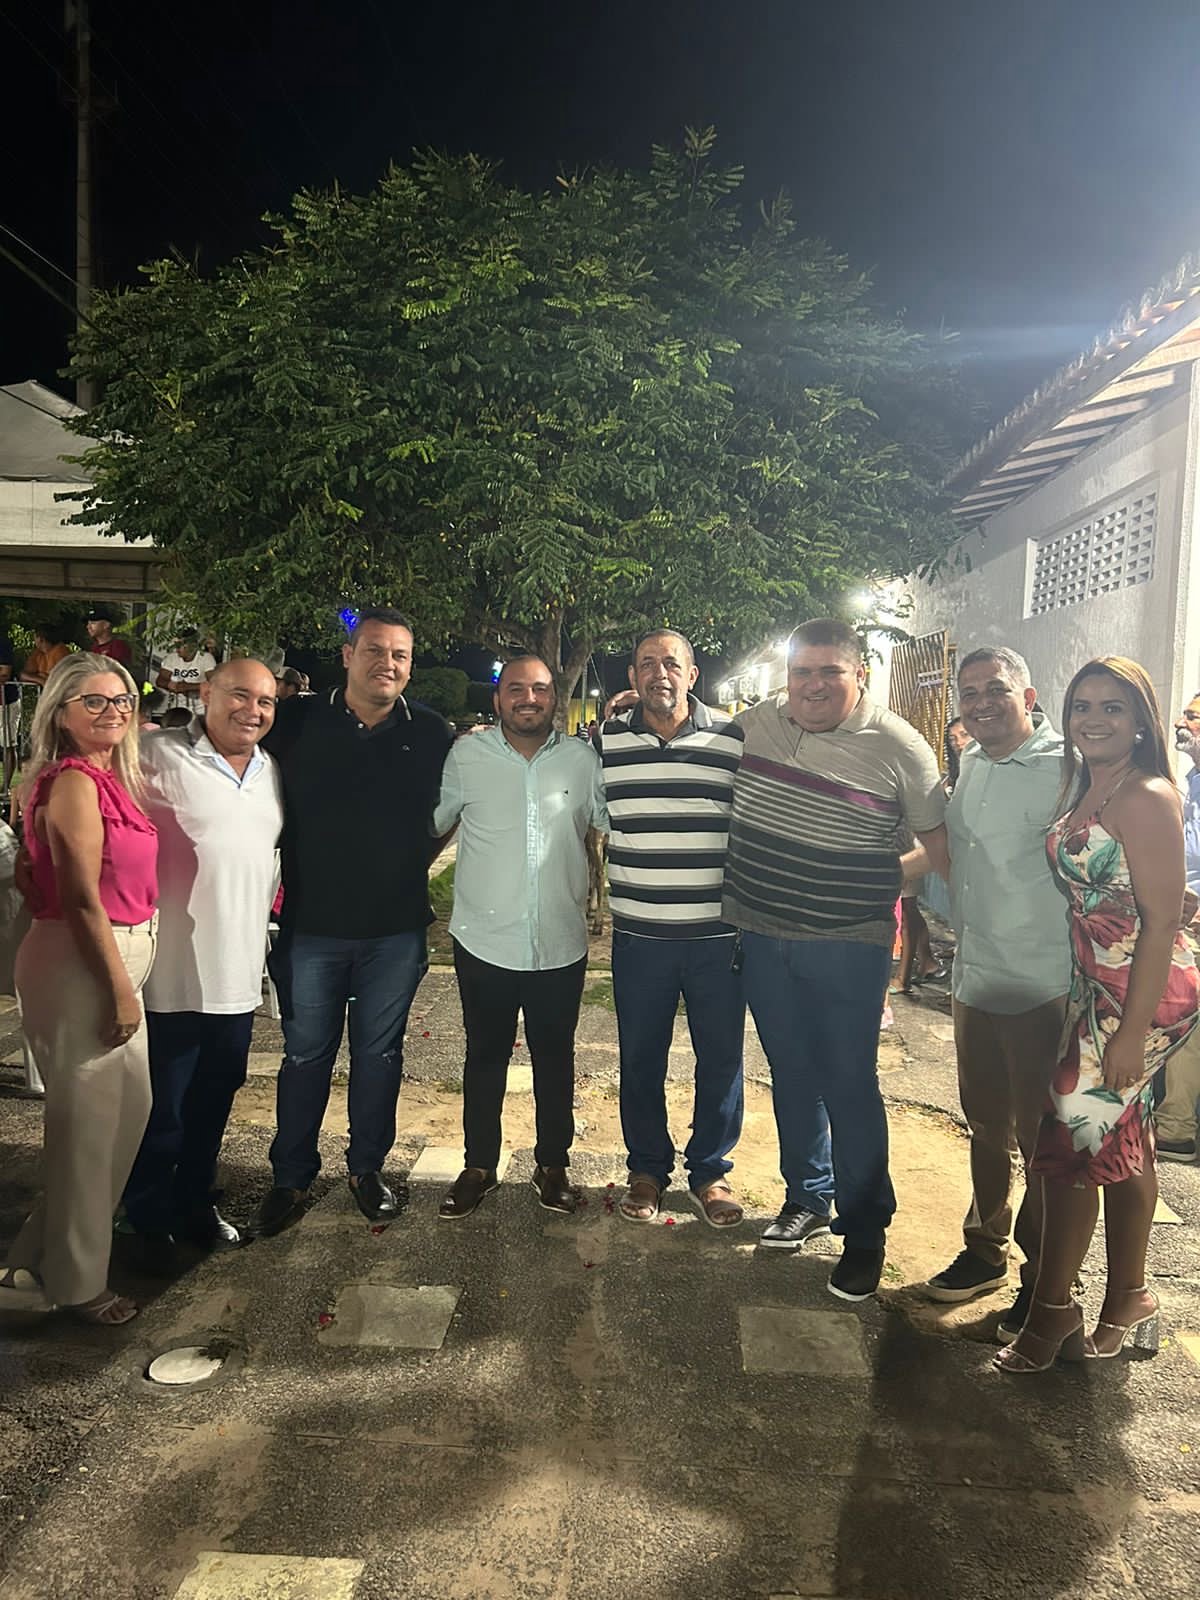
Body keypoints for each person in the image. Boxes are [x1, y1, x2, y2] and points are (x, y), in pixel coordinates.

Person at [723, 618, 949, 1300]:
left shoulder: (900, 746)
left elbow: (939, 849)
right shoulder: (756, 724)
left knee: (848, 1081)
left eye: (831, 672)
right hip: (764, 934)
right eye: (803, 672)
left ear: (860, 674)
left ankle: (866, 1230)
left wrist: (875, 877)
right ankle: (808, 1196)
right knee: (791, 1072)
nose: (814, 686)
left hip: (849, 941)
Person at [996, 657, 1199, 1373]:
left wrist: (1131, 1034)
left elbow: (1162, 921)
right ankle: (1130, 1298)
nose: (1094, 719)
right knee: (1119, 1138)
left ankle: (1051, 1312)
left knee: (1070, 1147)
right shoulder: (1090, 782)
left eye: (1113, 707)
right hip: (1099, 987)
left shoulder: (1145, 794)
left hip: (1143, 996)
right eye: (1082, 706)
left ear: (1141, 720)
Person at [254, 607, 452, 1234]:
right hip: (311, 925)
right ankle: (290, 1177)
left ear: (409, 665)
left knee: (379, 1055)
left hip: (395, 929)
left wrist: (410, 861)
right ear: (347, 655)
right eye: (374, 650)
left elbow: (450, 811)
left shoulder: (432, 732)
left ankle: (367, 1170)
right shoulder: (296, 721)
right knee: (305, 1056)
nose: (386, 663)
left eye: (399, 654)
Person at [917, 648, 1070, 1339]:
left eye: (996, 689)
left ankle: (1045, 1281)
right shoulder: (972, 763)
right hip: (976, 975)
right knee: (984, 1124)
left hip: (1045, 983)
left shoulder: (1067, 767)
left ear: (1029, 696)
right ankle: (984, 1251)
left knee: (1043, 1141)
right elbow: (951, 852)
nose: (980, 703)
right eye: (969, 691)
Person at [0, 655, 156, 1324]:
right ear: (60, 714)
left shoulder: (109, 777)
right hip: (84, 960)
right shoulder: (72, 783)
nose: (112, 710)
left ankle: (38, 1257)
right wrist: (119, 991)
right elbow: (82, 899)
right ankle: (77, 1286)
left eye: (121, 699)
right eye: (93, 701)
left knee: (125, 1115)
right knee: (88, 1133)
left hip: (111, 956)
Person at [120, 658, 283, 1268]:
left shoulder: (270, 771)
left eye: (266, 701)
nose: (252, 711)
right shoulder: (155, 755)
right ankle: (146, 1217)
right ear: (207, 692)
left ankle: (194, 1203)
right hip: (170, 973)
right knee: (162, 1108)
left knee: (214, 1101)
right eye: (239, 695)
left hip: (237, 974)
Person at [434, 655, 607, 1220]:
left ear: (555, 697)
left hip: (559, 939)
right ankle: (479, 1165)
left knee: (555, 1057)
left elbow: (609, 825)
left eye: (539, 688)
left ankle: (552, 1164)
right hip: (485, 937)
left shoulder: (583, 760)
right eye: (516, 688)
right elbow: (434, 821)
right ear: (498, 698)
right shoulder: (467, 757)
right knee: (484, 1055)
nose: (528, 698)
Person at [599, 631, 747, 1227]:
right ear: (633, 676)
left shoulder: (732, 737)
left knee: (721, 1059)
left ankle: (710, 1172)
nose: (659, 673)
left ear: (692, 673)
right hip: (640, 938)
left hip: (717, 937)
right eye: (646, 664)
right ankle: (647, 1170)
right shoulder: (606, 741)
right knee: (640, 1059)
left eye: (671, 663)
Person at [1153, 689, 1200, 1161]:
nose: (1182, 724)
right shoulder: (1191, 781)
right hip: (1180, 916)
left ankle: (1176, 1128)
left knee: (1188, 1023)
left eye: (1193, 717)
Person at [156, 630, 217, 714]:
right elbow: (160, 681)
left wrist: (188, 687)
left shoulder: (206, 658)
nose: (177, 649)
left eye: (180, 645)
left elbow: (213, 683)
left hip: (200, 707)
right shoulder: (171, 658)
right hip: (177, 706)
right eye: (176, 645)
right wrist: (171, 685)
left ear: (192, 645)